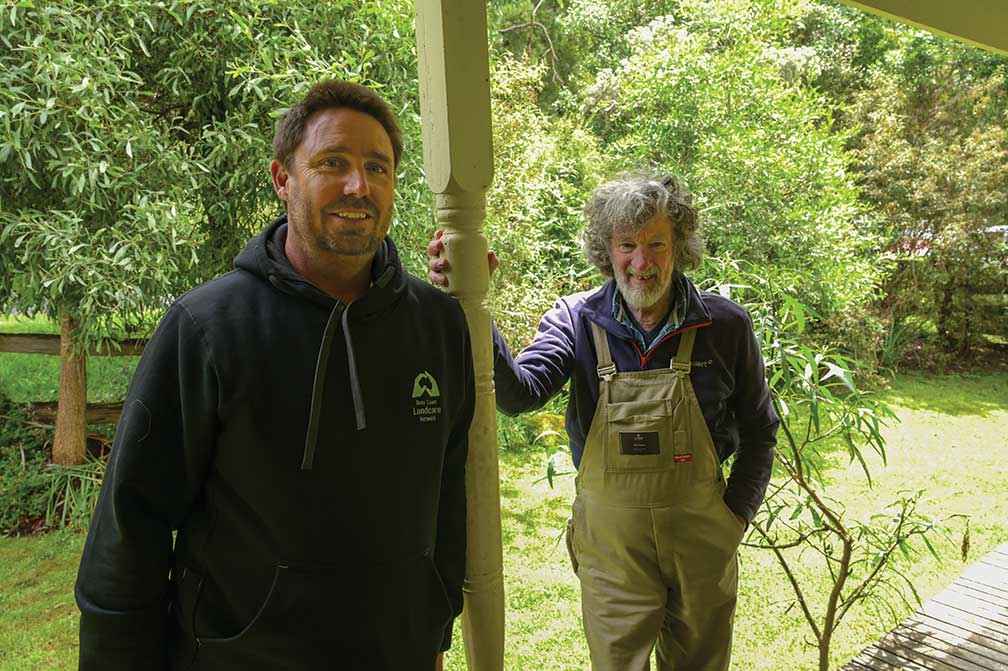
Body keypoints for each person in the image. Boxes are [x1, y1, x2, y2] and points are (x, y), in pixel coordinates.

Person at [76, 80, 475, 671]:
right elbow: (131, 525)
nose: (358, 186)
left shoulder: (436, 326)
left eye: (377, 167)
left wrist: (433, 631)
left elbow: (445, 500)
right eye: (331, 163)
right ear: (282, 178)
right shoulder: (207, 327)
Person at [428, 171, 779, 671]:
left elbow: (761, 430)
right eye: (627, 244)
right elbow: (519, 394)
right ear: (606, 250)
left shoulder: (724, 328)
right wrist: (474, 304)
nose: (642, 262)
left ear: (679, 245)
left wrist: (734, 518)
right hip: (612, 553)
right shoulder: (577, 320)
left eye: (657, 243)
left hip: (703, 544)